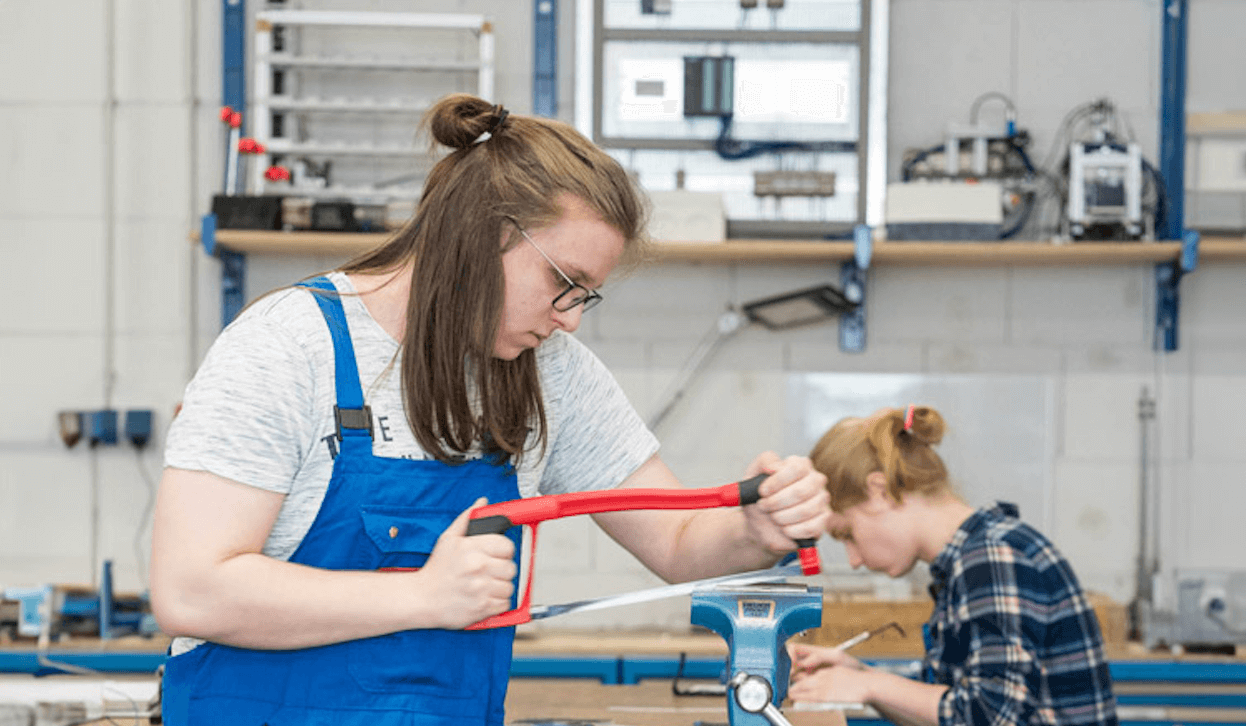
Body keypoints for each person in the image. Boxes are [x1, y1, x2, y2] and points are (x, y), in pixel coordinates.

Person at [150, 93, 829, 726]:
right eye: (564, 284)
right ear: (485, 234)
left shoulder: (550, 373)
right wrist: (422, 597)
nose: (569, 321)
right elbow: (191, 589)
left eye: (584, 296)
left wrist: (756, 528)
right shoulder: (289, 346)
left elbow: (680, 547)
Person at [788, 405, 1117, 726]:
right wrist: (860, 675)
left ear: (880, 491)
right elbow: (949, 706)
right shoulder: (967, 563)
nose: (854, 560)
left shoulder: (993, 557)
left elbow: (992, 715)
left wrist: (871, 686)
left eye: (848, 534)